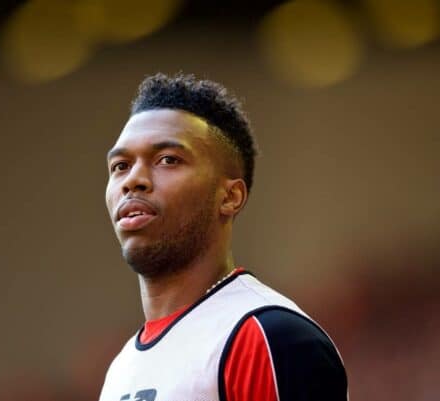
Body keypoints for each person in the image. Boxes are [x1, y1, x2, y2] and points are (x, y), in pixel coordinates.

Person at [100, 73, 348, 401]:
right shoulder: (122, 368)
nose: (133, 180)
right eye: (120, 166)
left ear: (230, 197)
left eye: (167, 160)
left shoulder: (270, 338)